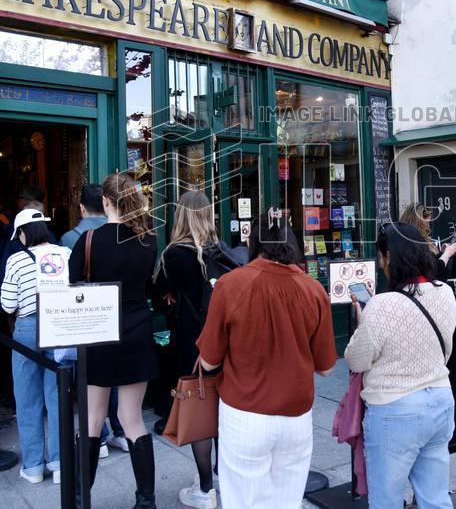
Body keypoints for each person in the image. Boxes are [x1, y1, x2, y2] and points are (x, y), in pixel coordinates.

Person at [197, 210, 337, 509]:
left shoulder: (231, 284)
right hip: (296, 415)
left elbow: (208, 361)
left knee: (243, 502)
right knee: (287, 502)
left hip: (244, 412)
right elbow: (326, 368)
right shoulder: (313, 288)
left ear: (252, 242)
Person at [344, 223, 456, 509]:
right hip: (441, 399)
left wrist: (364, 321)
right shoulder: (445, 292)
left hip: (394, 409)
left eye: (382, 257)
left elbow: (356, 359)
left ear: (390, 257)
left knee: (387, 500)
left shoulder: (381, 306)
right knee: (435, 497)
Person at [68, 173, 158, 508]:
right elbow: (149, 286)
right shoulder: (148, 240)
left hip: (99, 333)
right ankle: (146, 500)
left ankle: (80, 497)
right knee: (133, 418)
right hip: (137, 332)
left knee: (93, 418)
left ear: (105, 202)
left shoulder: (89, 240)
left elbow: (73, 287)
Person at [154, 191, 222, 509]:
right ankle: (223, 477)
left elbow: (157, 294)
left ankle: (206, 489)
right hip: (223, 337)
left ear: (180, 216)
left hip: (190, 339)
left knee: (198, 406)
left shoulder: (174, 254)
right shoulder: (220, 251)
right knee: (224, 405)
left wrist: (172, 296)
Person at [0, 208, 64, 485]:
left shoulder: (16, 259)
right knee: (58, 396)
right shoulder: (66, 255)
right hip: (60, 326)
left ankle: (34, 466)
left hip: (27, 328)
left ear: (24, 232)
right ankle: (61, 462)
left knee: (28, 399)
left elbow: (7, 304)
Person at [58, 183, 123, 458]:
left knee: (89, 379)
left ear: (82, 207)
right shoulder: (120, 234)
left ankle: (100, 436)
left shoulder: (70, 238)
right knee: (115, 378)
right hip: (116, 314)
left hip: (84, 316)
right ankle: (120, 429)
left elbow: (65, 283)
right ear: (107, 204)